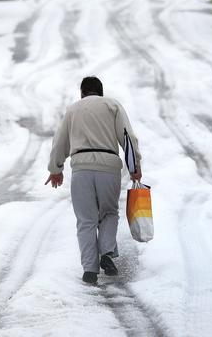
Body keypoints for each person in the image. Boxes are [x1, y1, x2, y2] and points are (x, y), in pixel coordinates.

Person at [46, 76, 142, 285]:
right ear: (101, 92)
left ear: (82, 93)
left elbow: (59, 141)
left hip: (81, 168)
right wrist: (134, 168)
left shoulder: (73, 109)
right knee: (108, 213)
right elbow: (127, 137)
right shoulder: (112, 105)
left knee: (86, 220)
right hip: (109, 168)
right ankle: (107, 253)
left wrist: (56, 169)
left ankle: (89, 270)